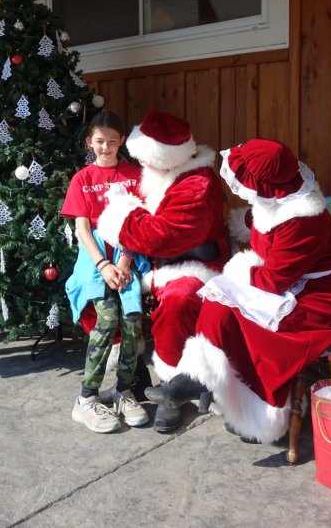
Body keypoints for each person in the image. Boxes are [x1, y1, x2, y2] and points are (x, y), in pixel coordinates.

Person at [145, 138, 331, 443]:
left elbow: (273, 280)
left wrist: (241, 270)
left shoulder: (301, 220)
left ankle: (258, 410)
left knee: (250, 321)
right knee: (218, 300)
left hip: (321, 300)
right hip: (289, 284)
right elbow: (268, 253)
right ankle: (198, 378)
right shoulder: (277, 200)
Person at [97, 109, 229, 432]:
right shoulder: (158, 173)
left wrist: (120, 217)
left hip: (194, 265)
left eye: (147, 158)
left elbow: (163, 234)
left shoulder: (198, 184)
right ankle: (164, 382)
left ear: (167, 156)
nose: (143, 164)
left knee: (178, 299)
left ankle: (172, 386)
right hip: (155, 264)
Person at [61, 110, 151, 433]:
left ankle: (124, 391)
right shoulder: (82, 180)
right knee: (108, 317)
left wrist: (125, 261)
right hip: (95, 256)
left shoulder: (134, 175)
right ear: (90, 142)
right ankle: (86, 398)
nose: (106, 147)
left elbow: (138, 220)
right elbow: (82, 228)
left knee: (132, 321)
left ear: (121, 141)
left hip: (128, 250)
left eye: (113, 141)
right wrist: (103, 264)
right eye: (100, 141)